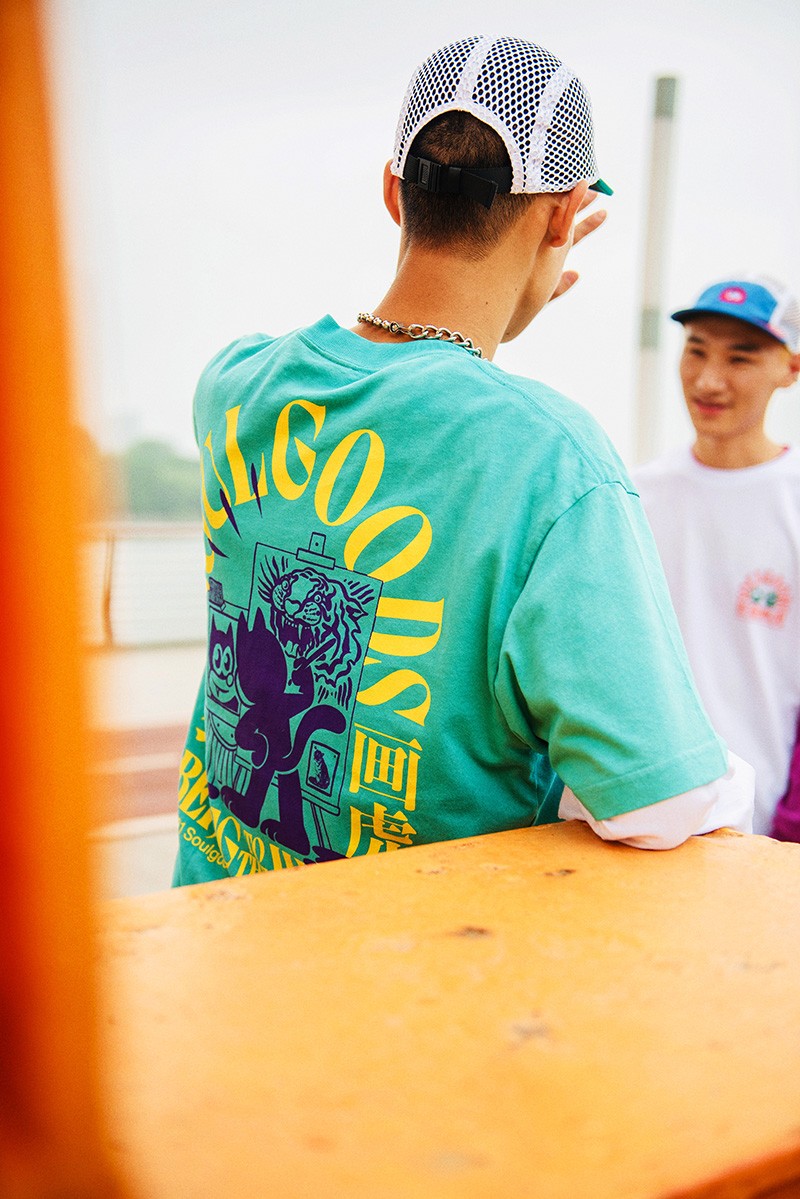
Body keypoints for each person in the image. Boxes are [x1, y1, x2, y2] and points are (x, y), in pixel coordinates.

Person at [174, 35, 752, 884]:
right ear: (563, 215)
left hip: (209, 936)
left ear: (393, 192)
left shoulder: (236, 383)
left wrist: (491, 316)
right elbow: (658, 800)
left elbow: (405, 390)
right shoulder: (552, 460)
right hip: (407, 960)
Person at [634, 276, 800, 837]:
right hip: (641, 819)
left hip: (762, 831)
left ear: (791, 368)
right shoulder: (634, 497)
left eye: (740, 358)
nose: (709, 380)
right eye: (697, 350)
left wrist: (789, 834)